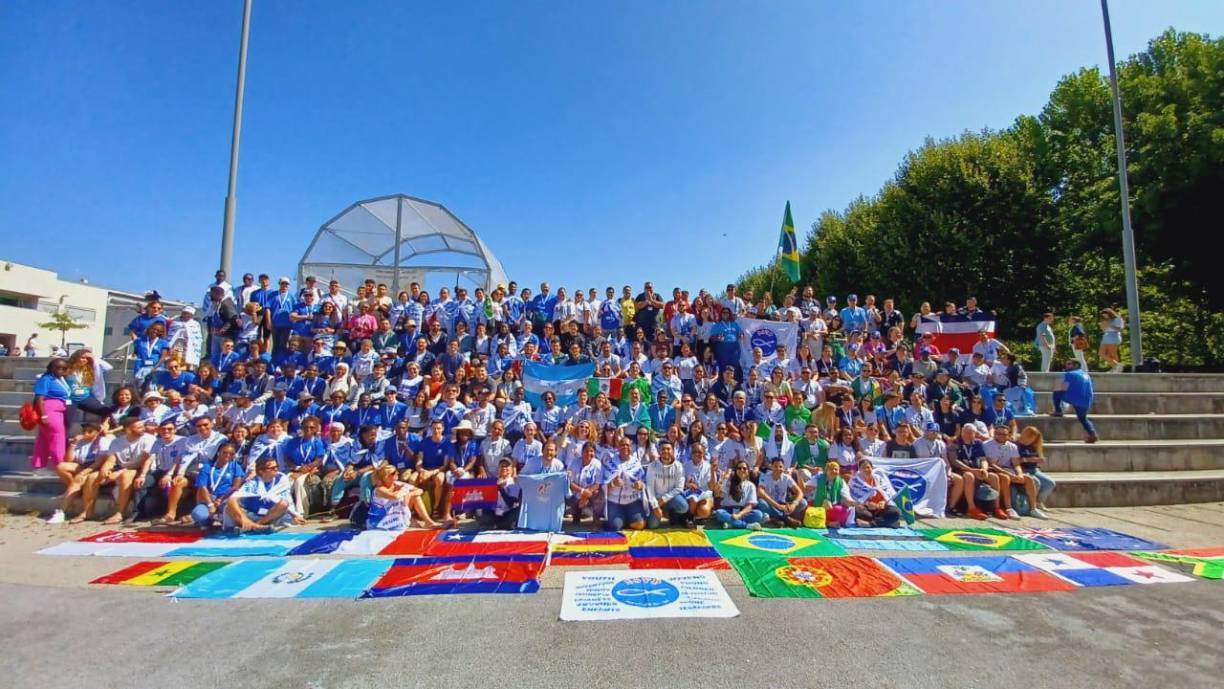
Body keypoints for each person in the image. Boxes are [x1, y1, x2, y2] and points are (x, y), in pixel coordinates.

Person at [47, 421, 111, 524]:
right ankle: (73, 492)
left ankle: (63, 510)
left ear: (97, 432)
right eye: (84, 431)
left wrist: (84, 472)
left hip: (96, 467)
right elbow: (68, 460)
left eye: (90, 431)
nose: (86, 433)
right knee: (61, 466)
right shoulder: (80, 442)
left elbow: (100, 461)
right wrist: (73, 444)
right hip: (82, 465)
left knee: (79, 479)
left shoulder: (102, 441)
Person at [224, 457, 305, 531]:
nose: (276, 469)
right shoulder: (253, 483)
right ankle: (254, 527)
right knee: (229, 507)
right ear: (261, 471)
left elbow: (287, 499)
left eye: (277, 467)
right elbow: (232, 499)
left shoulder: (281, 479)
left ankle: (256, 526)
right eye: (273, 468)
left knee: (284, 504)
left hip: (269, 515)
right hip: (251, 514)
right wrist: (243, 518)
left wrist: (295, 515)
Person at [983, 423, 1046, 519]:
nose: (1001, 436)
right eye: (999, 434)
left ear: (1008, 435)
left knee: (1028, 479)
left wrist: (1020, 474)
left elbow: (1016, 464)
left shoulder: (1013, 446)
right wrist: (1009, 474)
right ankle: (1009, 508)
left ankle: (1033, 508)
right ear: (995, 433)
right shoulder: (987, 445)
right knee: (1005, 478)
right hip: (995, 470)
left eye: (1004, 434)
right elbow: (992, 464)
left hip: (1009, 469)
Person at [189, 442, 246, 527]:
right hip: (208, 500)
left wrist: (221, 499)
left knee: (233, 515)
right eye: (225, 452)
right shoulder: (207, 467)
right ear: (219, 452)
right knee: (198, 514)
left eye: (231, 454)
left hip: (225, 499)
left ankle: (223, 519)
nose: (228, 455)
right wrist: (210, 504)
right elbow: (202, 487)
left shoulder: (235, 466)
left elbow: (235, 487)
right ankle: (209, 520)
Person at [367, 463, 440, 530]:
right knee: (405, 496)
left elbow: (419, 490)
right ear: (386, 477)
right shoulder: (379, 490)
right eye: (394, 473)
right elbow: (395, 496)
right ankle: (411, 521)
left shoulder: (397, 484)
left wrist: (410, 494)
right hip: (380, 521)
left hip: (392, 516)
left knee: (415, 496)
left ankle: (429, 522)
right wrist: (405, 489)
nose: (397, 473)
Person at [29, 358, 72, 469]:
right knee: (58, 436)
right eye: (58, 367)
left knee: (43, 438)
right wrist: (43, 415)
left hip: (59, 410)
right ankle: (59, 463)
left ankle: (38, 464)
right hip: (50, 410)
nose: (61, 370)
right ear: (51, 368)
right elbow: (39, 398)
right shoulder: (46, 379)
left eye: (64, 368)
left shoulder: (60, 379)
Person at [603, 436, 647, 531]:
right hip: (614, 502)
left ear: (631, 448)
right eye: (622, 445)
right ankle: (619, 520)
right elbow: (603, 486)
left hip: (632, 501)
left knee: (640, 525)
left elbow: (644, 483)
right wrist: (612, 484)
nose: (625, 447)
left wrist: (640, 486)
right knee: (615, 527)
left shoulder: (636, 462)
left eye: (628, 445)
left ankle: (625, 519)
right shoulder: (610, 462)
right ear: (618, 447)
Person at [1051, 359, 1098, 443]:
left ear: (1075, 365)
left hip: (1074, 398)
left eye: (1069, 364)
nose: (1066, 366)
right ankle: (1092, 433)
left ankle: (1058, 411)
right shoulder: (1086, 374)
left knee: (1056, 394)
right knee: (1083, 418)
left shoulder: (1070, 374)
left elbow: (1064, 388)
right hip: (1086, 399)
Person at [644, 441, 688, 528]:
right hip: (656, 499)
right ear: (659, 451)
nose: (665, 451)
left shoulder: (679, 466)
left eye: (668, 449)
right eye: (663, 449)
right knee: (652, 525)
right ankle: (662, 512)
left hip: (671, 498)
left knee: (683, 506)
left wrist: (664, 499)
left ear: (673, 451)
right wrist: (655, 506)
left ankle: (671, 514)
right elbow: (649, 489)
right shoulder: (652, 466)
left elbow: (679, 488)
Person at [849, 458, 902, 527]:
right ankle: (886, 522)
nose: (866, 470)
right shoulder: (855, 481)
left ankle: (870, 524)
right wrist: (867, 504)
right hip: (866, 510)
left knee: (896, 512)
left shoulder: (879, 479)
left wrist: (883, 502)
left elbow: (888, 496)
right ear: (859, 470)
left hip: (880, 509)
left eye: (868, 467)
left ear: (872, 468)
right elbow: (855, 499)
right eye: (863, 468)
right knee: (857, 511)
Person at [712, 459, 765, 529]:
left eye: (744, 468)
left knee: (758, 514)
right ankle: (746, 525)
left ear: (748, 471)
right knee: (719, 513)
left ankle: (731, 523)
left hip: (742, 512)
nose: (742, 470)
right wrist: (722, 479)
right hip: (728, 510)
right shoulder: (728, 482)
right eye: (739, 468)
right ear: (736, 471)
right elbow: (717, 494)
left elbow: (749, 506)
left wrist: (739, 515)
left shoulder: (751, 485)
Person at [757, 455, 807, 526]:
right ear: (771, 467)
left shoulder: (786, 477)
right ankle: (786, 519)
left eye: (780, 467)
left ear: (783, 468)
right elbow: (760, 492)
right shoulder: (765, 476)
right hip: (771, 504)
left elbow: (800, 492)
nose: (778, 469)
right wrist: (777, 506)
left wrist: (793, 504)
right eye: (775, 466)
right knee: (761, 503)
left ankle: (777, 519)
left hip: (784, 505)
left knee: (803, 502)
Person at [1016, 426, 1056, 512]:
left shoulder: (1033, 445)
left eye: (1033, 439)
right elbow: (1015, 461)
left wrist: (1040, 460)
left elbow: (1038, 457)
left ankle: (1039, 501)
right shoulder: (1016, 444)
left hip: (1034, 469)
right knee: (1036, 482)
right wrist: (1027, 459)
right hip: (1022, 470)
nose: (1030, 441)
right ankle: (1031, 504)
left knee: (1050, 483)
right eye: (1030, 438)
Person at [808, 460, 854, 527]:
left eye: (836, 469)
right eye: (831, 469)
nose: (834, 471)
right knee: (808, 510)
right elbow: (806, 489)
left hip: (832, 507)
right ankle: (828, 523)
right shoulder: (818, 478)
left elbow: (846, 497)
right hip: (816, 506)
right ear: (826, 470)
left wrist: (851, 502)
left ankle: (829, 522)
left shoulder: (841, 482)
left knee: (841, 511)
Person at [1098, 308, 1125, 373]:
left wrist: (1110, 325)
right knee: (1101, 353)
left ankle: (1116, 369)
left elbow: (1119, 329)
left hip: (1114, 336)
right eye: (1104, 316)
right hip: (1106, 336)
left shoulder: (1118, 319)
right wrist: (1102, 326)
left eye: (1106, 315)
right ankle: (1116, 366)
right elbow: (1104, 330)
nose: (1105, 317)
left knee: (1112, 354)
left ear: (1110, 313)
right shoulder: (1107, 320)